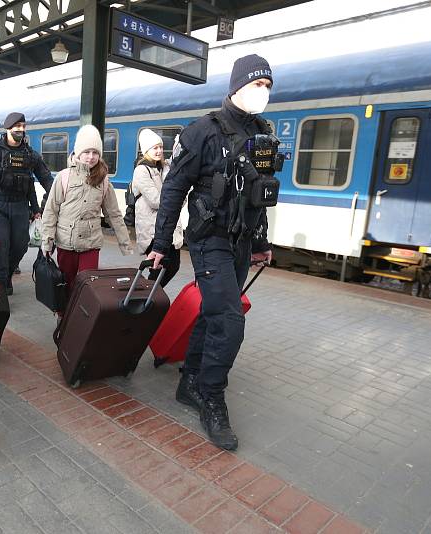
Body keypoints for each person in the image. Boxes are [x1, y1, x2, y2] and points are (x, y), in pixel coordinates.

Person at [148, 54, 276, 451]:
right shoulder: (202, 132)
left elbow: (262, 192)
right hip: (209, 239)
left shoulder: (264, 133)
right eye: (257, 84)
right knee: (230, 319)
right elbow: (173, 190)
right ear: (236, 86)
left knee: (213, 312)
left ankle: (190, 382)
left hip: (240, 239)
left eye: (268, 86)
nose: (263, 93)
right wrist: (160, 242)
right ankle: (211, 396)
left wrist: (260, 242)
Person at [41, 125, 134, 292]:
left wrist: (125, 243)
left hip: (91, 244)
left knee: (88, 285)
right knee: (66, 284)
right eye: (86, 152)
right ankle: (64, 316)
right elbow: (51, 211)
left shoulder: (104, 181)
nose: (91, 157)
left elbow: (114, 215)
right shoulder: (64, 177)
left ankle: (83, 316)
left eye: (95, 153)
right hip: (66, 242)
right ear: (78, 153)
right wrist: (46, 242)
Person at [0, 111, 53, 295]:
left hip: (20, 207)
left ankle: (5, 275)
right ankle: (0, 292)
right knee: (2, 246)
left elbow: (46, 178)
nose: (21, 130)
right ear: (8, 128)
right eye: (17, 127)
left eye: (23, 127)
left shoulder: (30, 155)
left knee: (20, 245)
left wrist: (58, 196)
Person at [132, 128, 183, 287]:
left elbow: (179, 187)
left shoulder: (165, 167)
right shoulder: (141, 170)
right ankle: (147, 299)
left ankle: (149, 299)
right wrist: (176, 199)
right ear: (146, 150)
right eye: (155, 148)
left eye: (161, 147)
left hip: (168, 227)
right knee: (161, 267)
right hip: (151, 230)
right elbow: (155, 200)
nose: (159, 150)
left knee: (171, 266)